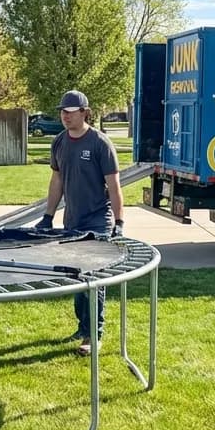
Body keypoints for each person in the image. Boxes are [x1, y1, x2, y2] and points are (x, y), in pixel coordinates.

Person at [34, 90, 125, 356]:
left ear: (85, 112)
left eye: (71, 111)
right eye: (63, 111)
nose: (65, 115)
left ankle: (93, 334)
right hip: (71, 220)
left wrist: (119, 221)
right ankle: (82, 326)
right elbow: (57, 181)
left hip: (98, 219)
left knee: (93, 278)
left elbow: (114, 185)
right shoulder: (60, 142)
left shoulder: (100, 143)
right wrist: (48, 216)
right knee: (75, 275)